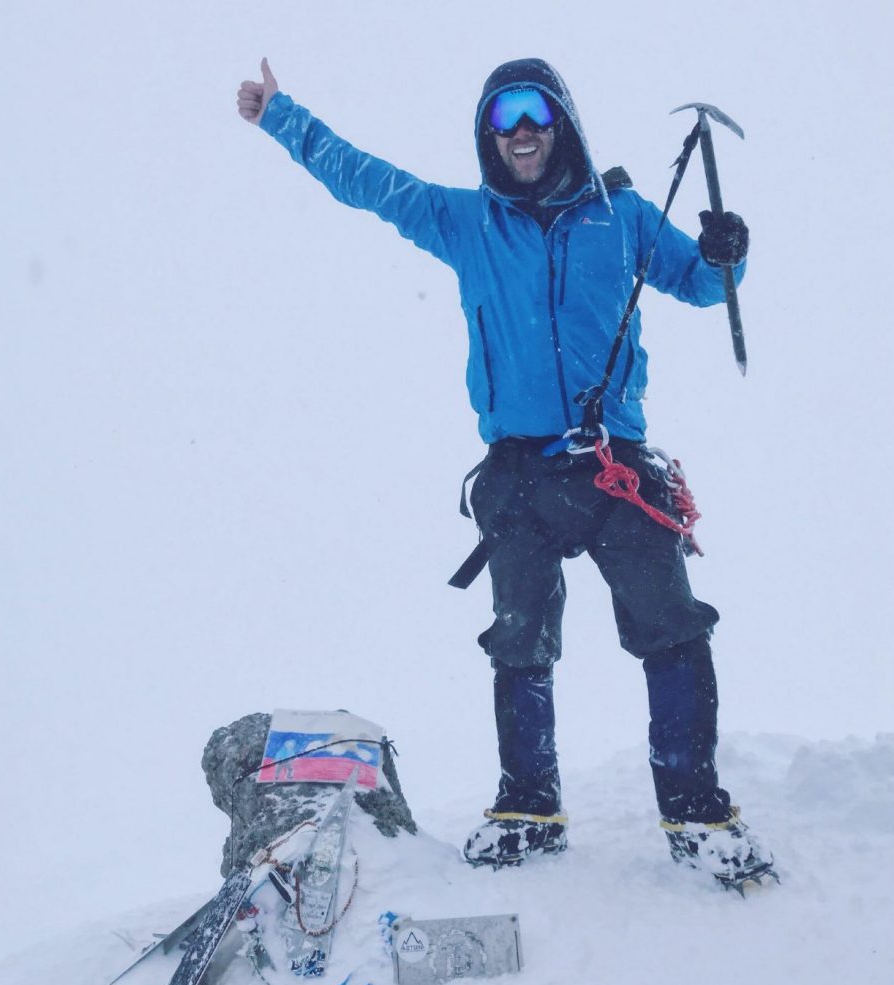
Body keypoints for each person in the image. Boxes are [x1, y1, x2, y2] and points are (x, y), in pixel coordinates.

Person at [237, 56, 775, 887]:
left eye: (533, 111)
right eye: (501, 117)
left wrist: (724, 254)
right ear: (488, 135)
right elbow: (367, 182)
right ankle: (529, 809)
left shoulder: (622, 216)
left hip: (613, 466)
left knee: (672, 630)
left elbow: (703, 285)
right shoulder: (464, 223)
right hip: (518, 473)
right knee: (519, 641)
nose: (520, 131)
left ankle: (696, 815)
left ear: (561, 120)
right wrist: (284, 117)